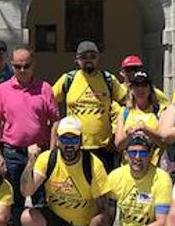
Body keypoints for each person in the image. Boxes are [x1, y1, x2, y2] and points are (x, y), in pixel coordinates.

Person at [20, 117, 110, 226]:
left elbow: (103, 212)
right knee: (27, 217)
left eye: (74, 139)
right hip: (56, 218)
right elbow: (27, 191)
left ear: (81, 140)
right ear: (58, 140)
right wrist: (30, 162)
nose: (69, 145)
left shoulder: (93, 164)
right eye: (65, 139)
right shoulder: (48, 159)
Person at [0, 46, 57, 226]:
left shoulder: (45, 89)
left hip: (40, 153)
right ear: (12, 65)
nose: (22, 70)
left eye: (26, 66)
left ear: (33, 64)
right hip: (13, 153)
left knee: (41, 203)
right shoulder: (2, 90)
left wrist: (53, 153)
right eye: (17, 66)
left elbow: (55, 121)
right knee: (15, 203)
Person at [52, 41, 126, 169]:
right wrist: (57, 125)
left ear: (98, 58)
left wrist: (116, 132)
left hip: (103, 148)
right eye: (84, 57)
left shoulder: (109, 80)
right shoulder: (68, 79)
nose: (88, 60)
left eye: (93, 56)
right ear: (77, 60)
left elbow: (127, 103)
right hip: (74, 146)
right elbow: (49, 102)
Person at [113, 71, 165, 159]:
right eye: (136, 85)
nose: (140, 89)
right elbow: (118, 146)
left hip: (153, 166)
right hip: (129, 167)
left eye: (144, 85)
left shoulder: (160, 110)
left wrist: (145, 130)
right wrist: (128, 135)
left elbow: (164, 142)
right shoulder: (124, 112)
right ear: (131, 89)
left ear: (150, 89)